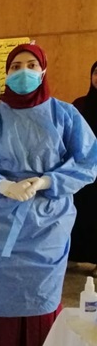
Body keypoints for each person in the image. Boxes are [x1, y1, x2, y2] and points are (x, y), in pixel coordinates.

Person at [0, 44, 97, 346]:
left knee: (41, 292)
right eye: (16, 65)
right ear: (7, 73)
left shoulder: (65, 115)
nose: (24, 72)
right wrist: (2, 185)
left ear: (43, 70)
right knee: (2, 291)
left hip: (48, 220)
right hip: (0, 219)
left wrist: (48, 181)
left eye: (31, 65)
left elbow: (87, 162)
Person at [70, 61, 97, 275]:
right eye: (96, 73)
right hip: (82, 170)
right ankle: (74, 256)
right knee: (80, 213)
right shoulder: (80, 105)